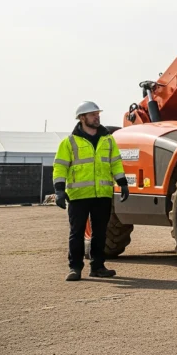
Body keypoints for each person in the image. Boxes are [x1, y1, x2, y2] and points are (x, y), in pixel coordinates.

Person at [52, 101, 130, 282]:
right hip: (78, 195)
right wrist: (59, 190)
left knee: (100, 232)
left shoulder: (108, 139)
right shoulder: (69, 142)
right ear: (82, 118)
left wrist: (122, 183)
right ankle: (75, 268)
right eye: (93, 114)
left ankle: (98, 267)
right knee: (77, 233)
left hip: (102, 194)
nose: (97, 117)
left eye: (98, 114)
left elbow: (116, 162)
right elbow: (60, 167)